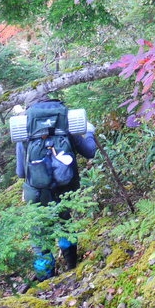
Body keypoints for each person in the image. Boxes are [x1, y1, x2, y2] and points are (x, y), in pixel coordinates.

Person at [14, 100, 97, 280]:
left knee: (38, 235)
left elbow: (21, 172)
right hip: (64, 190)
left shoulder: (25, 132)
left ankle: (46, 281)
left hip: (36, 194)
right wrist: (89, 132)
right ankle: (72, 267)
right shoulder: (65, 127)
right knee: (65, 224)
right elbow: (90, 152)